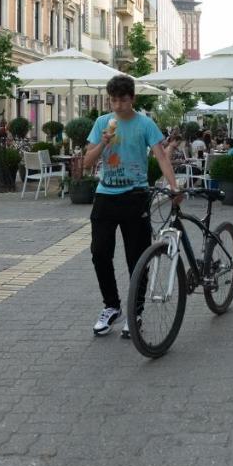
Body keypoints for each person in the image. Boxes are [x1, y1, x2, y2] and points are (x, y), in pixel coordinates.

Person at [82, 75, 181, 339]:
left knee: (136, 258)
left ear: (132, 99)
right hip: (105, 196)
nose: (117, 106)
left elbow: (161, 156)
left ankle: (135, 311)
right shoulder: (102, 123)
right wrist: (103, 141)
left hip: (135, 196)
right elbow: (86, 162)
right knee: (99, 253)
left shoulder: (145, 124)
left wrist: (174, 187)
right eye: (113, 100)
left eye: (122, 101)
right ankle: (111, 306)